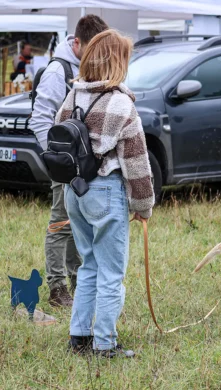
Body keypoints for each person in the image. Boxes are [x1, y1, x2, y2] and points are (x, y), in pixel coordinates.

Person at [56, 29, 155, 358]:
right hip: (105, 191)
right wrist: (143, 206)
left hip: (74, 191)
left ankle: (79, 337)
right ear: (117, 62)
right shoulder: (122, 103)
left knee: (89, 265)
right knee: (112, 273)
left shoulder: (72, 97)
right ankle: (105, 343)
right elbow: (136, 163)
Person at [29, 15, 109, 308]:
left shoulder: (87, 68)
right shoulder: (57, 71)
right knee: (61, 223)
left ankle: (78, 281)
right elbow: (39, 119)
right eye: (92, 49)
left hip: (85, 165)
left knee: (81, 224)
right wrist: (57, 160)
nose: (97, 56)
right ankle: (57, 288)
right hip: (66, 165)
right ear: (77, 43)